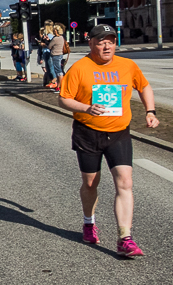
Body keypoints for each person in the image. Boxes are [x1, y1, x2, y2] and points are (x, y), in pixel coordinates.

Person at [57, 24, 157, 256]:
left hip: (119, 132)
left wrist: (150, 111)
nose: (106, 46)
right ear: (90, 43)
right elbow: (64, 99)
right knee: (91, 183)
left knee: (125, 182)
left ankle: (125, 237)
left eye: (110, 41)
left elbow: (144, 87)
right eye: (101, 41)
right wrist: (86, 108)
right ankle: (89, 222)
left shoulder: (128, 65)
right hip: (88, 131)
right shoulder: (80, 68)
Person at [48, 24, 67, 89]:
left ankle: (60, 86)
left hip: (55, 55)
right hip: (60, 54)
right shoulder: (62, 37)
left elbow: (49, 46)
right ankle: (59, 85)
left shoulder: (55, 38)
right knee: (59, 70)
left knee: (58, 71)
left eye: (54, 30)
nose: (53, 31)